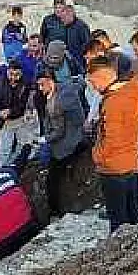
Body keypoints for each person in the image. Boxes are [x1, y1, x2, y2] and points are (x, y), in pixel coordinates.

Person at [85, 56, 138, 232]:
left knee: (118, 220)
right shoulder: (133, 92)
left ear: (101, 76)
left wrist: (97, 156)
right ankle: (136, 248)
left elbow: (112, 140)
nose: (93, 87)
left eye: (92, 81)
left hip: (114, 167)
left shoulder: (114, 102)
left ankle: (122, 253)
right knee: (133, 213)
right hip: (131, 162)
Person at [36, 69, 87, 219]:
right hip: (77, 134)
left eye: (42, 84)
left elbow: (59, 132)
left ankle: (55, 210)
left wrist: (44, 139)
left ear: (50, 80)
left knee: (53, 178)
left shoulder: (54, 104)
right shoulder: (64, 87)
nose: (40, 89)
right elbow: (79, 82)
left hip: (66, 143)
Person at [0, 59, 34, 168]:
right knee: (5, 148)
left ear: (21, 73)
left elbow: (23, 105)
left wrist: (11, 111)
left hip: (19, 119)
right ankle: (0, 169)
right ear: (7, 71)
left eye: (17, 75)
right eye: (11, 74)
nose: (13, 78)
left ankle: (13, 165)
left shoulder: (25, 84)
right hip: (4, 121)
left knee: (21, 144)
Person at [39, 0, 91, 66]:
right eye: (56, 8)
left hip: (71, 57)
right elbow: (42, 35)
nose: (58, 10)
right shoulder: (47, 20)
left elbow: (87, 43)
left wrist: (79, 54)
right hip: (52, 54)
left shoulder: (80, 26)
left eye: (60, 8)